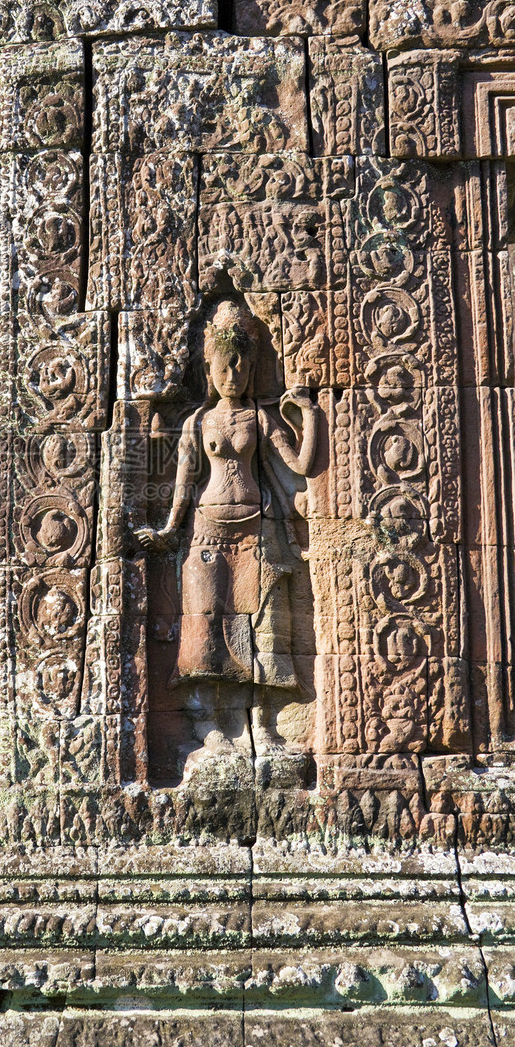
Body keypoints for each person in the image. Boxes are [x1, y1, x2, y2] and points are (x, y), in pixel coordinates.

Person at [136, 299, 318, 757]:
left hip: (257, 530)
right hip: (206, 532)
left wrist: (308, 415)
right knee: (207, 626)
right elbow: (182, 483)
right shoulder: (198, 421)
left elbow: (299, 464)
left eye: (240, 365)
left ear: (252, 367)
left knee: (265, 624)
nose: (232, 374)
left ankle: (264, 726)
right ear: (208, 367)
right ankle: (210, 726)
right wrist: (167, 529)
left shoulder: (260, 417)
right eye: (223, 365)